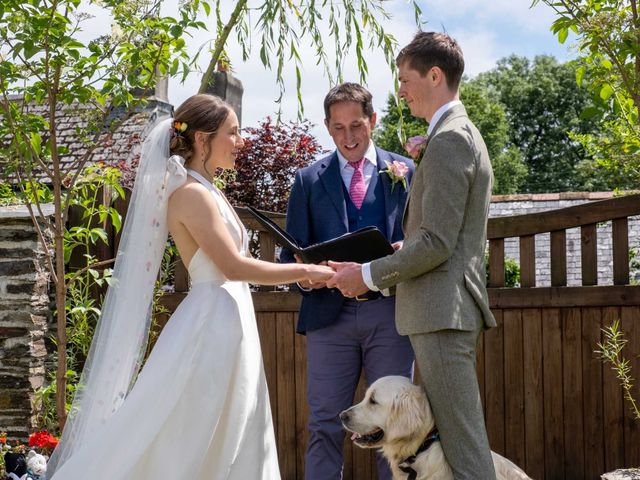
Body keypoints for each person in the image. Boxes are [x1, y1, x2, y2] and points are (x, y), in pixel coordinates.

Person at [47, 94, 333, 479]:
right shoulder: (191, 195)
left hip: (229, 318)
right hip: (210, 325)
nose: (240, 141)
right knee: (190, 431)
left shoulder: (208, 190)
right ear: (202, 139)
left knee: (235, 424)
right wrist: (302, 274)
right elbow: (231, 267)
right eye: (232, 133)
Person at [327, 32, 498, 479]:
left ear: (435, 75)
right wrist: (407, 247)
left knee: (464, 446)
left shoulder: (451, 139)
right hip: (442, 311)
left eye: (405, 79)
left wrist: (367, 274)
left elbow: (438, 243)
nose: (400, 90)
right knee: (459, 441)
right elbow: (444, 234)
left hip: (442, 313)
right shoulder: (454, 134)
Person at [280, 82, 415, 480]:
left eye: (356, 125)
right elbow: (291, 257)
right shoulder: (307, 180)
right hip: (329, 319)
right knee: (324, 424)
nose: (349, 137)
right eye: (338, 128)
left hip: (390, 314)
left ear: (373, 120)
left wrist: (405, 247)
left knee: (393, 426)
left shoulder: (406, 171)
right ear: (327, 127)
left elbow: (425, 239)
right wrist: (309, 276)